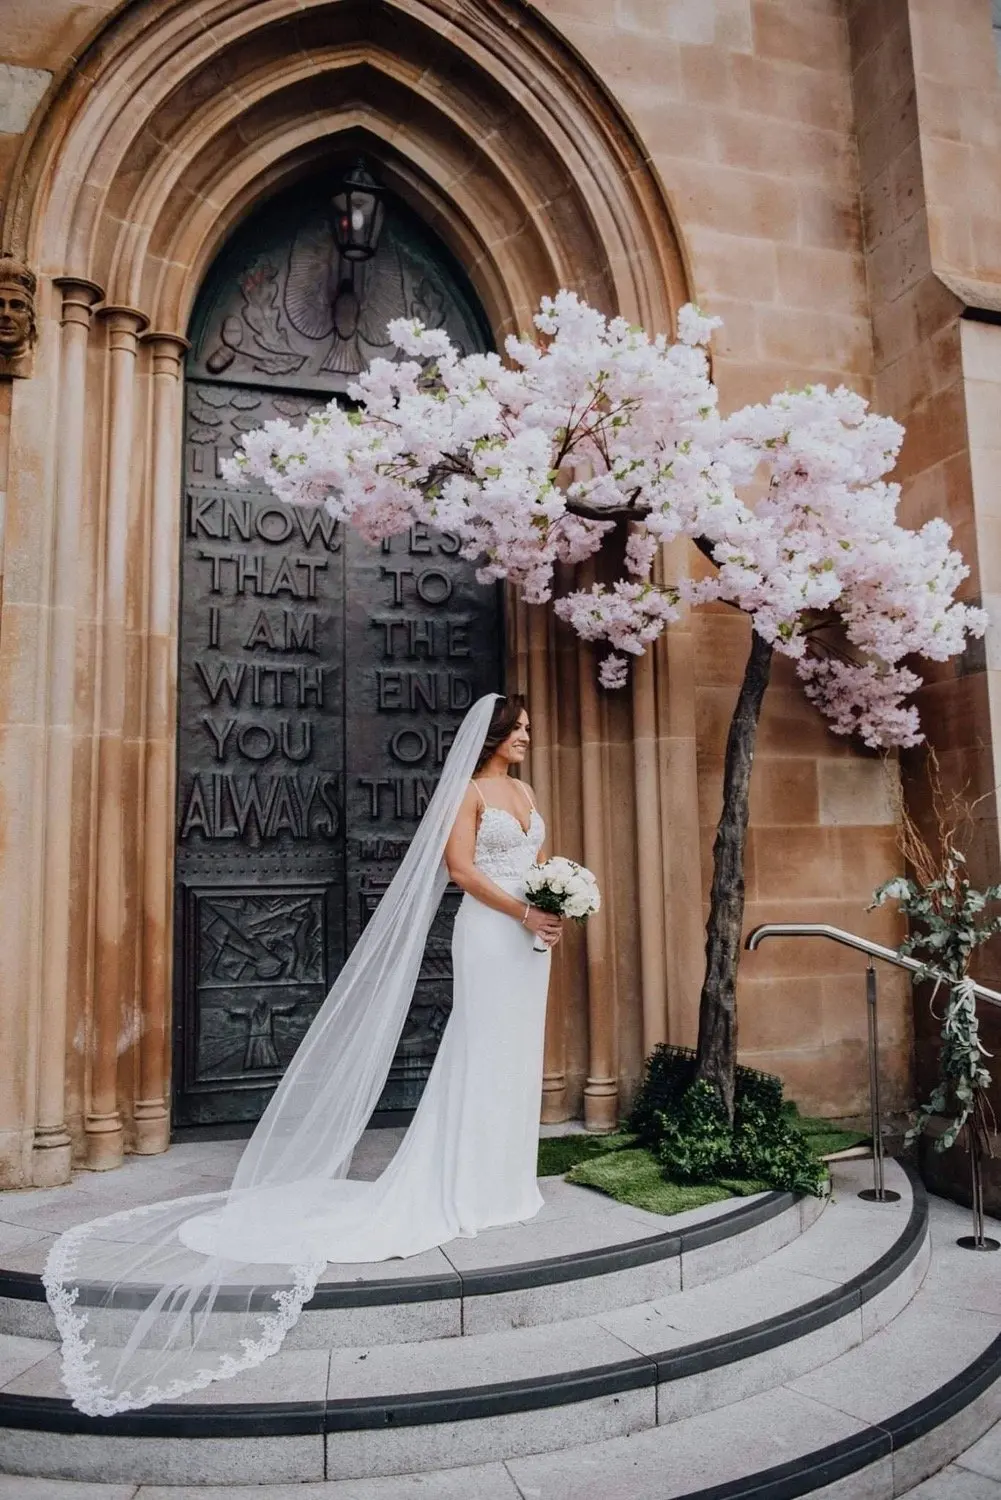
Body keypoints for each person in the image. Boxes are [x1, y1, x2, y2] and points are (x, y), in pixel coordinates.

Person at [43, 692, 561, 1416]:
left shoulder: (526, 791)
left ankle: (506, 1180)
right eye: (522, 729)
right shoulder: (471, 792)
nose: (529, 738)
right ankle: (462, 1183)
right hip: (489, 929)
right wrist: (521, 909)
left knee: (513, 1056)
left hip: (529, 943)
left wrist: (555, 904)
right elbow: (462, 872)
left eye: (529, 728)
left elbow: (538, 858)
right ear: (496, 736)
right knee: (477, 1052)